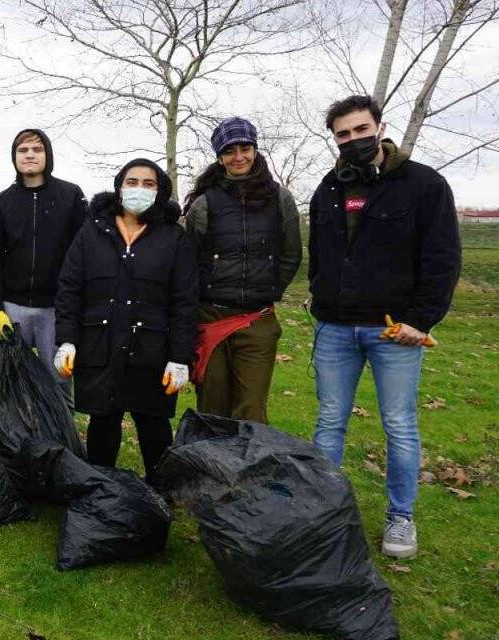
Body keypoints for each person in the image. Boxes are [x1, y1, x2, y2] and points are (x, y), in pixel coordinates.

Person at [308, 95, 461, 559]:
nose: (352, 139)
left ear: (379, 127)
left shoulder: (423, 185)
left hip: (394, 331)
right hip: (335, 329)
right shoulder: (329, 188)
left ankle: (401, 517)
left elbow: (442, 259)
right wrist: (320, 295)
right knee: (329, 422)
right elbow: (321, 251)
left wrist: (421, 319)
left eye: (359, 129)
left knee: (398, 424)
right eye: (342, 134)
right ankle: (323, 510)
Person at [53, 158, 198, 485]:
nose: (139, 189)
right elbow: (69, 288)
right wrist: (66, 339)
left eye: (148, 184)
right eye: (132, 182)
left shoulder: (173, 238)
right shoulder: (92, 232)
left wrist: (179, 357)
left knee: (154, 426)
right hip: (99, 346)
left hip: (151, 350)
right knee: (103, 423)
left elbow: (185, 302)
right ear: (120, 187)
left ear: (160, 192)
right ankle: (99, 494)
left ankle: (160, 496)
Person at [183, 117, 302, 423]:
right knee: (212, 407)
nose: (238, 157)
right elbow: (188, 262)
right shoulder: (204, 204)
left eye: (244, 148)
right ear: (219, 157)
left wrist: (271, 290)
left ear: (255, 148)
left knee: (251, 410)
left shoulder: (280, 198)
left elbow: (291, 253)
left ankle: (249, 469)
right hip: (211, 318)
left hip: (257, 320)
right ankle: (210, 468)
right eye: (229, 151)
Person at [0, 128, 88, 378]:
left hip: (57, 309)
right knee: (13, 381)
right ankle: (15, 420)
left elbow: (84, 254)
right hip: (12, 308)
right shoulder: (2, 201)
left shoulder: (71, 196)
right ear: (14, 156)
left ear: (47, 155)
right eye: (23, 150)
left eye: (37, 149)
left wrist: (76, 304)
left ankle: (59, 419)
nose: (30, 155)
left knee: (59, 379)